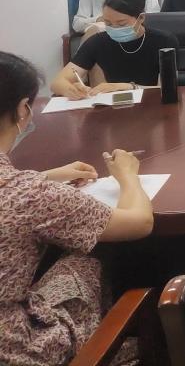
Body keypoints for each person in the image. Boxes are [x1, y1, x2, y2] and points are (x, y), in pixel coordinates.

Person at [0, 51, 154, 366]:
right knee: (89, 259)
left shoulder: (25, 188)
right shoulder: (31, 195)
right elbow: (139, 222)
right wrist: (128, 177)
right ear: (23, 109)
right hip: (18, 349)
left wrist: (45, 176)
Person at [52, 0, 179, 98]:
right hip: (115, 108)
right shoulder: (98, 42)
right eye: (108, 23)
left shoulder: (164, 41)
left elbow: (167, 88)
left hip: (152, 105)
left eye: (121, 24)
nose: (114, 28)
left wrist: (130, 87)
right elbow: (58, 82)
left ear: (141, 18)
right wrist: (71, 90)